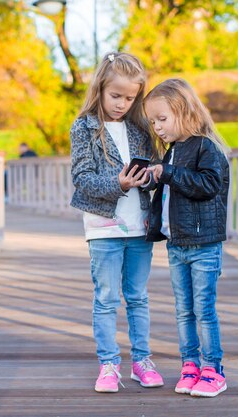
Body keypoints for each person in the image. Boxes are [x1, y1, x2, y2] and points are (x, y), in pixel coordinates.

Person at [70, 51, 164, 393]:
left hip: (139, 226)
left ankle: (142, 361)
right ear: (100, 88)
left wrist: (150, 177)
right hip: (103, 228)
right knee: (107, 298)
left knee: (138, 296)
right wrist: (118, 183)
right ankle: (109, 364)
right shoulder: (84, 127)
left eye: (130, 97)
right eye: (116, 96)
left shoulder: (140, 128)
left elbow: (154, 171)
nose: (122, 103)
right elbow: (82, 177)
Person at [143, 78, 230, 398]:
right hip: (178, 243)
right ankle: (190, 365)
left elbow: (207, 185)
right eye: (153, 122)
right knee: (183, 309)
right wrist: (151, 180)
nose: (157, 127)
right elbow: (171, 192)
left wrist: (166, 173)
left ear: (185, 111)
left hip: (204, 244)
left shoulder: (206, 147)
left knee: (204, 309)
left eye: (162, 119)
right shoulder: (172, 151)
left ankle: (213, 369)